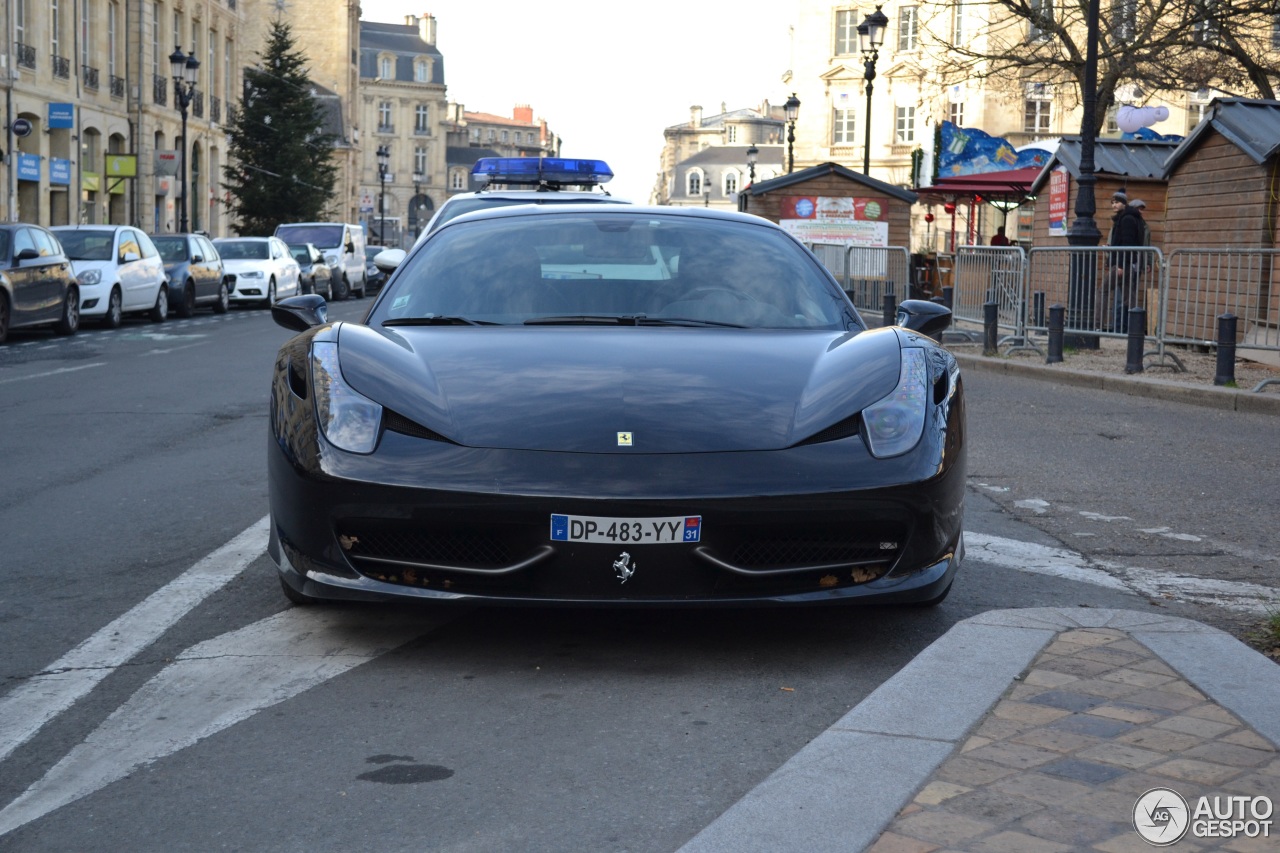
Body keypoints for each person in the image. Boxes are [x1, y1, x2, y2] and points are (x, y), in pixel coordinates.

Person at [1106, 191, 1146, 333]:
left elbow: (1134, 243)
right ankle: (1123, 328)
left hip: (1129, 263)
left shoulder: (1129, 220)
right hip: (1127, 262)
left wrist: (1122, 264)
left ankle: (1124, 328)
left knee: (1122, 297)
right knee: (1126, 297)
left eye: (1116, 202)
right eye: (1139, 208)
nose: (1140, 211)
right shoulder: (1123, 219)